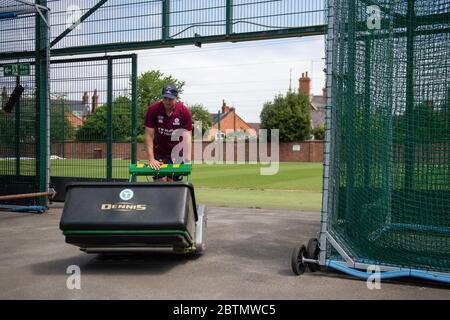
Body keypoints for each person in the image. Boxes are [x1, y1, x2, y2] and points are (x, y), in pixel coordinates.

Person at [143, 84, 192, 181]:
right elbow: (148, 135)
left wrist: (187, 159)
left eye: (170, 99)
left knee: (173, 184)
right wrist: (151, 159)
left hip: (177, 153)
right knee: (160, 182)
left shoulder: (184, 111)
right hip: (159, 152)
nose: (167, 101)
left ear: (176, 98)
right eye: (165, 98)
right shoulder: (153, 109)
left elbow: (187, 137)